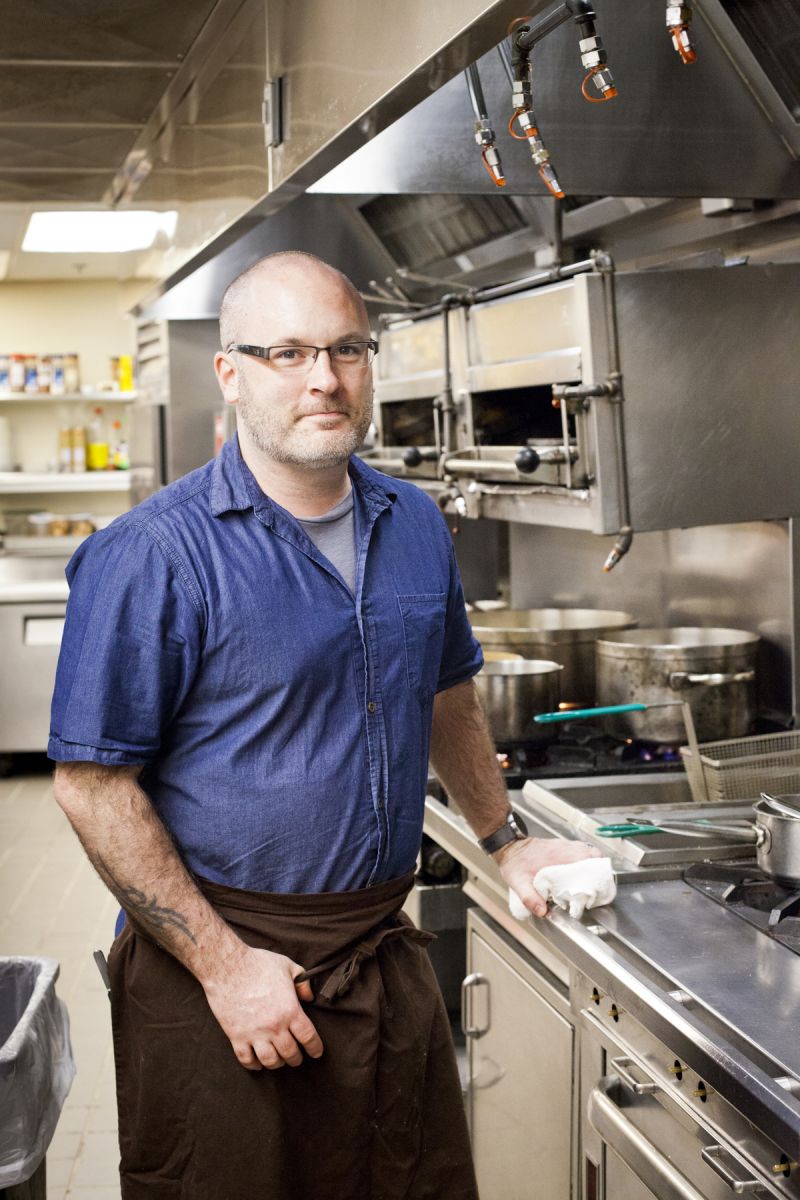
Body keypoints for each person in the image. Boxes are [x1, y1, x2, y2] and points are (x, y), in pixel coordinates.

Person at [49, 251, 598, 1200]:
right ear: (230, 373)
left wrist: (503, 840)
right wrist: (226, 971)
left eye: (346, 349)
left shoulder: (415, 522)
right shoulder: (151, 556)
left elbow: (448, 691)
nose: (323, 379)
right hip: (222, 977)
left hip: (380, 968)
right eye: (288, 352)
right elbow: (92, 783)